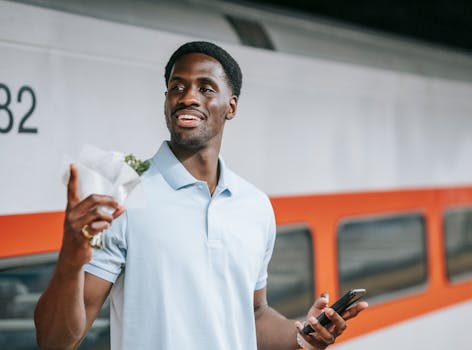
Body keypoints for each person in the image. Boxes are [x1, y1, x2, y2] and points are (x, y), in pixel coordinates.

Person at [34, 41, 367, 350]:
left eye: (205, 88)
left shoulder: (254, 205)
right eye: (177, 87)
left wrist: (304, 338)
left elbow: (253, 313)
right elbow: (57, 340)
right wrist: (70, 263)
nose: (188, 97)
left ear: (231, 106)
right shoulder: (124, 193)